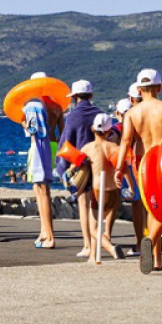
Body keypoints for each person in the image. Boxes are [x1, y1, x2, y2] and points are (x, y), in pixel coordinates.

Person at [115, 68, 162, 273]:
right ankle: (151, 240)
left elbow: (125, 141)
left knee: (152, 206)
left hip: (142, 162)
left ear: (139, 89)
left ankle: (157, 258)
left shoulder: (131, 113)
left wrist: (119, 168)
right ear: (160, 87)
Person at [58, 79, 101, 258]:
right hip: (98, 166)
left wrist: (62, 169)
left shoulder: (72, 117)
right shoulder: (99, 114)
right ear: (90, 96)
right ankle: (98, 241)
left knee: (83, 204)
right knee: (96, 205)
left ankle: (87, 244)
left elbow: (66, 143)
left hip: (80, 167)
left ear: (74, 97)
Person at [22, 71, 63, 250]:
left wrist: (22, 122)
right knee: (42, 189)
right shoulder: (56, 106)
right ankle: (43, 231)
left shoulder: (34, 106)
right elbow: (63, 133)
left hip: (40, 147)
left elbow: (31, 129)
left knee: (41, 190)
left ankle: (49, 234)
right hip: (53, 145)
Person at [81, 113, 125, 262]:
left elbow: (75, 166)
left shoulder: (88, 148)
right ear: (109, 131)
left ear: (92, 129)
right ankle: (93, 257)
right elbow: (123, 168)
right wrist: (130, 186)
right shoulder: (114, 147)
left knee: (93, 227)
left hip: (98, 191)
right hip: (114, 191)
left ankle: (111, 248)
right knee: (99, 224)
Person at [113, 97, 142, 256]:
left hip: (126, 169)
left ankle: (140, 242)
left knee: (116, 207)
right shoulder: (140, 124)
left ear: (118, 113)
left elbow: (114, 137)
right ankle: (146, 238)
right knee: (143, 205)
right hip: (142, 165)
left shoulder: (119, 127)